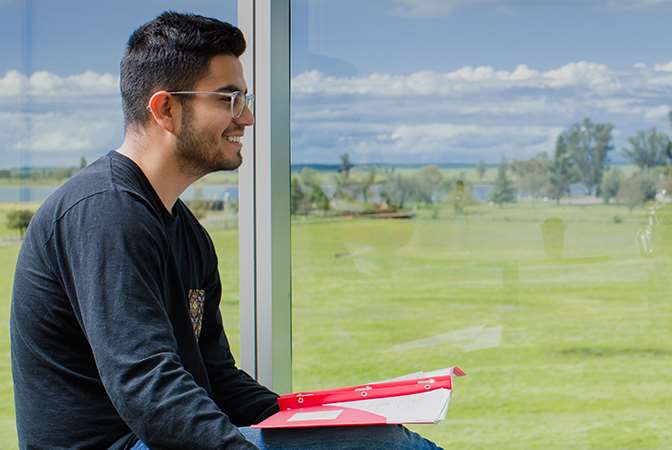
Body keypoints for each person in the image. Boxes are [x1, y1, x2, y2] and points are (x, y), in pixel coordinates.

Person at [10, 12, 441, 450]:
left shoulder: (186, 233)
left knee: (370, 437)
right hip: (123, 443)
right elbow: (146, 386)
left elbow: (218, 379)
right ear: (165, 109)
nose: (247, 118)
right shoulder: (105, 212)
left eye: (245, 99)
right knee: (386, 445)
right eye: (228, 99)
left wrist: (316, 422)